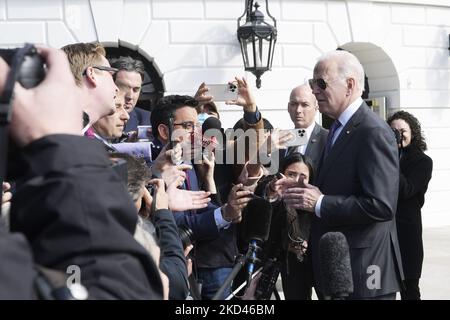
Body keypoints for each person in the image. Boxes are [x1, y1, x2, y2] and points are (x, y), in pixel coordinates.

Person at [2, 46, 164, 299]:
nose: (118, 89)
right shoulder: (66, 142)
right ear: (92, 74)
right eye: (111, 73)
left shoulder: (83, 139)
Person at [280, 50, 404, 299]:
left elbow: (381, 205)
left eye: (321, 83)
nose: (315, 90)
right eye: (312, 83)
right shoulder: (338, 127)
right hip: (338, 272)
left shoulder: (372, 132)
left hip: (366, 272)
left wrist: (321, 202)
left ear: (350, 85)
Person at [255, 152, 314, 299]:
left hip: (297, 272)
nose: (295, 180)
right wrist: (273, 194)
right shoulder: (270, 192)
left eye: (303, 176)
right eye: (291, 174)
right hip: (264, 267)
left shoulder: (313, 207)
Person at [387, 110, 433, 300]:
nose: (398, 135)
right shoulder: (380, 156)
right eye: (393, 131)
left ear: (412, 132)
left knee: (409, 289)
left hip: (407, 234)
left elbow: (407, 190)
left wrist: (391, 156)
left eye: (402, 131)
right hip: (383, 233)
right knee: (381, 287)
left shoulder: (422, 161)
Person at [61, 42, 119, 132]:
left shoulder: (60, 126)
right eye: (111, 75)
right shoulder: (62, 133)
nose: (116, 88)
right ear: (92, 74)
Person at [282, 84, 328, 172]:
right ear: (288, 107)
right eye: (294, 104)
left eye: (305, 105)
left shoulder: (327, 139)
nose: (298, 110)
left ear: (316, 108)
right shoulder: (281, 140)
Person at [110, 56, 151, 134]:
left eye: (136, 90)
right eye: (124, 88)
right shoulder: (91, 119)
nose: (130, 96)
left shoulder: (148, 120)